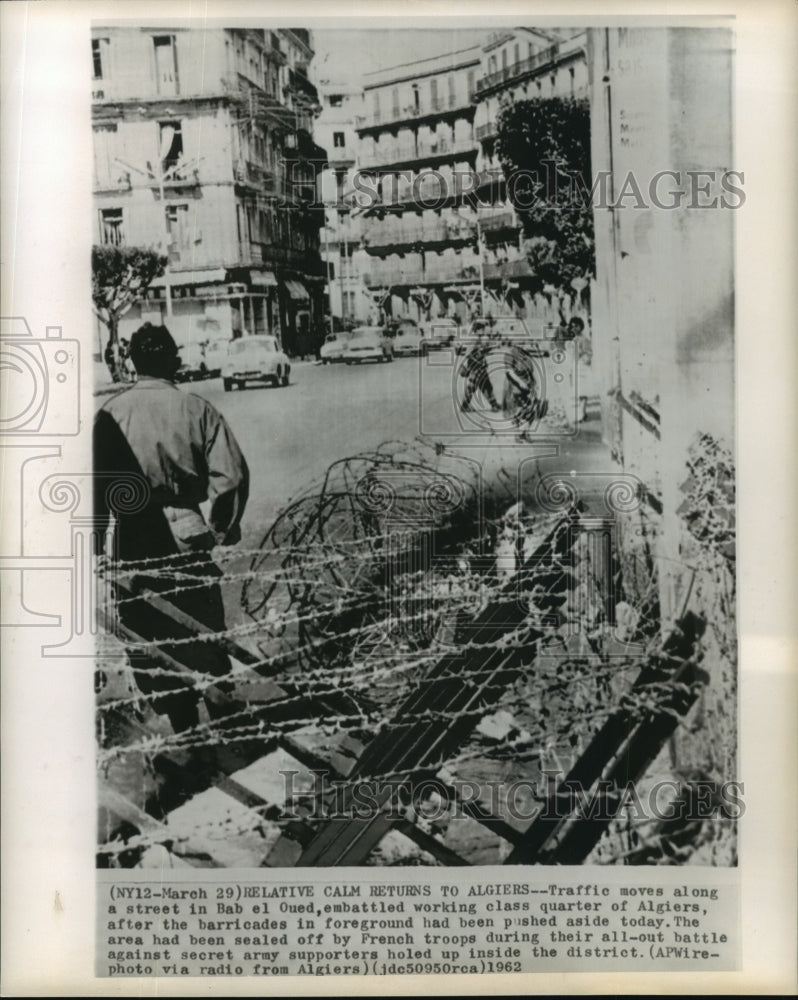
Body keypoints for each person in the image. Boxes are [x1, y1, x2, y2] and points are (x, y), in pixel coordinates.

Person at [94, 322, 249, 733]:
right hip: (187, 529)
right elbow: (230, 478)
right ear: (173, 360)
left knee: (152, 630)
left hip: (135, 535)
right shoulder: (197, 409)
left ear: (132, 362)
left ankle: (182, 722)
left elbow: (97, 486)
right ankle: (224, 713)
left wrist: (96, 546)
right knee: (202, 622)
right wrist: (220, 530)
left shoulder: (111, 414)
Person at [502, 341, 547, 442]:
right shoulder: (510, 353)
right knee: (520, 410)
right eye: (520, 340)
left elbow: (531, 371)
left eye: (524, 341)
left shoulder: (525, 353)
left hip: (528, 384)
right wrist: (520, 383)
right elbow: (509, 372)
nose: (523, 343)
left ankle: (524, 433)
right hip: (515, 385)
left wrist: (535, 384)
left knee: (533, 408)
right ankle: (518, 433)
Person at [460, 331, 500, 412]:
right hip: (478, 372)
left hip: (478, 372)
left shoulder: (475, 350)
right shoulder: (474, 351)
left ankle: (494, 404)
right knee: (481, 388)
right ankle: (465, 406)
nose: (484, 345)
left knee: (484, 387)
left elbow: (484, 350)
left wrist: (493, 347)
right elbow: (483, 351)